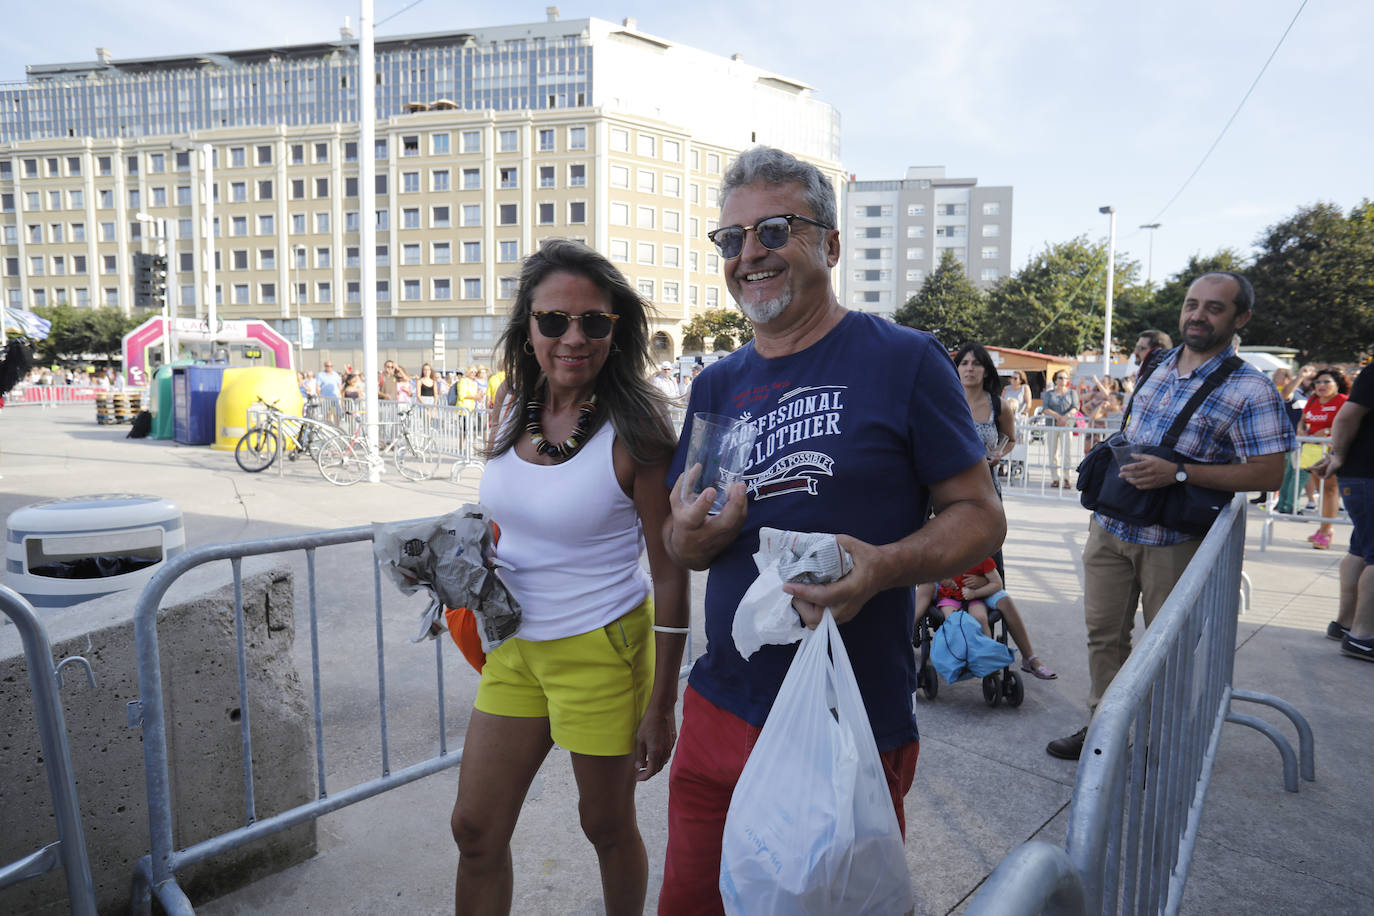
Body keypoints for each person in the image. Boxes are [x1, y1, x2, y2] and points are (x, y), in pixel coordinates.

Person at [658, 146, 1005, 912]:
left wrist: (880, 566)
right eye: (731, 239)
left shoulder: (906, 361)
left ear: (833, 245)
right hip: (722, 702)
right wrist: (692, 535)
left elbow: (980, 517)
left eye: (775, 231)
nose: (750, 253)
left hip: (846, 715)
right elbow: (682, 542)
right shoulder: (718, 383)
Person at [449, 238, 688, 916]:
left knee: (605, 826)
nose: (573, 337)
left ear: (618, 329)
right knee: (474, 829)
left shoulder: (637, 430)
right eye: (554, 321)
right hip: (515, 648)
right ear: (528, 327)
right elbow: (513, 515)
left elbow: (669, 575)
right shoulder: (509, 406)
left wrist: (662, 701)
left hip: (602, 650)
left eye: (594, 322)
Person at [1047, 272, 1294, 760]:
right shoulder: (1157, 364)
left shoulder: (1251, 388)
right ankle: (1104, 731)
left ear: (1240, 318)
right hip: (1112, 526)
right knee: (1103, 636)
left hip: (1174, 541)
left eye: (1215, 308)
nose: (1198, 315)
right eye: (1191, 304)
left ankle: (1157, 748)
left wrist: (1179, 472)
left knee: (1165, 654)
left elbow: (1269, 473)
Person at [1310, 361, 1374, 661]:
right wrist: (1336, 456)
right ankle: (1363, 636)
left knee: (1361, 551)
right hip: (1367, 476)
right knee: (1368, 554)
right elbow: (1347, 415)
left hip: (1362, 475)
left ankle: (1346, 624)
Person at [914, 563, 1057, 679]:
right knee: (934, 598)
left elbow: (995, 580)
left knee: (1000, 604)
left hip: (978, 586)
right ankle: (900, 642)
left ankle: (1028, 658)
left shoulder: (980, 551)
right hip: (943, 584)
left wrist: (982, 582)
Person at [1298, 368, 1348, 549]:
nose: (1321, 385)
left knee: (1329, 489)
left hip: (1332, 450)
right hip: (1311, 449)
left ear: (1337, 384)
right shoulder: (1312, 400)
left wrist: (1327, 432)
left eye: (1327, 382)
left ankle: (1327, 531)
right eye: (1318, 382)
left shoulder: (1343, 401)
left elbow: (1349, 424)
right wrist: (1302, 430)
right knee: (1318, 488)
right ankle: (1322, 528)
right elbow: (1303, 420)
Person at [1040, 369, 1079, 488]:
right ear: (1056, 380)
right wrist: (1058, 417)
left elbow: (1076, 407)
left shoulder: (1072, 393)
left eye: (1065, 378)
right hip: (1052, 425)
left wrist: (1066, 417)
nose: (1063, 380)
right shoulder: (1049, 393)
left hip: (1067, 426)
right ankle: (1055, 478)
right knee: (1053, 452)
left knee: (1066, 452)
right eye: (1060, 378)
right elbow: (1045, 408)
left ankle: (1067, 478)